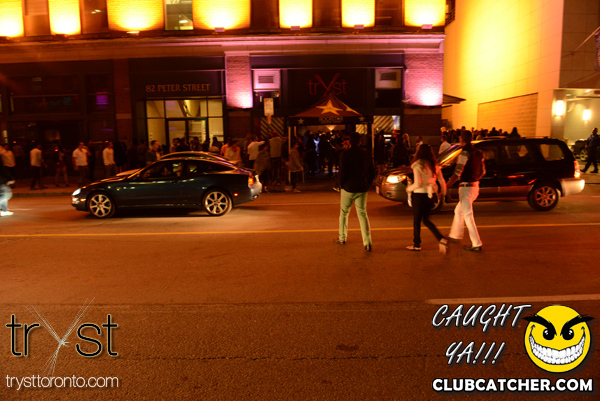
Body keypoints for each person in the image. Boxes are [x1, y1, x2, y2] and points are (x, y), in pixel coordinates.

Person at [335, 132, 376, 252]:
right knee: (362, 214)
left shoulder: (345, 154)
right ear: (360, 142)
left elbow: (342, 172)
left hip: (348, 187)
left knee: (344, 213)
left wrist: (340, 184)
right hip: (362, 187)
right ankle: (367, 242)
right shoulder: (366, 154)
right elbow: (372, 172)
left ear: (349, 142)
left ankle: (342, 238)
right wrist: (367, 183)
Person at [446, 131, 485, 252]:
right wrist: (474, 179)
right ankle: (455, 235)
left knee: (468, 216)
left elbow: (457, 173)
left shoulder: (464, 153)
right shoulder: (478, 152)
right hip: (475, 186)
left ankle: (476, 243)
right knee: (458, 211)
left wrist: (446, 186)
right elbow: (483, 171)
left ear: (462, 139)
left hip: (466, 188)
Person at [405, 144, 448, 253]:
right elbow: (441, 180)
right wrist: (443, 192)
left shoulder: (417, 165)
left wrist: (409, 189)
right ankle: (441, 238)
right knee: (426, 220)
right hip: (430, 195)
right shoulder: (434, 165)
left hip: (419, 195)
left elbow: (418, 183)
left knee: (417, 221)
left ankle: (417, 245)